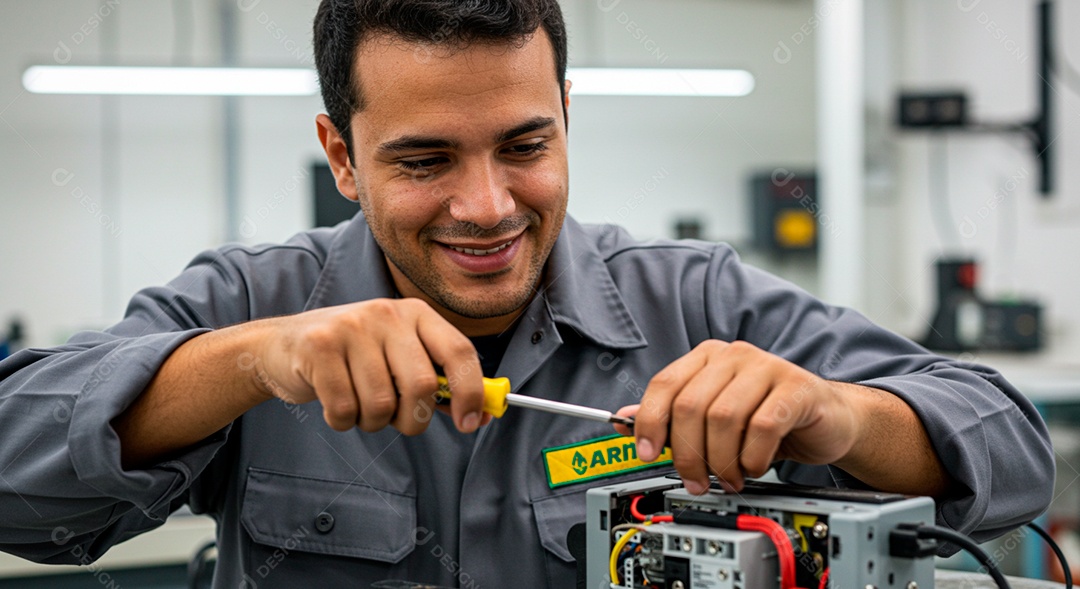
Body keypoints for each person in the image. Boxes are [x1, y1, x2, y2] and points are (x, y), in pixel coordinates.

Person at [0, 1, 1054, 587]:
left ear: (564, 115)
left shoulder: (697, 301)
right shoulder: (255, 298)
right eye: (424, 160)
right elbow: (16, 478)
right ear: (343, 154)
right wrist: (246, 363)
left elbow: (1009, 450)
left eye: (524, 145)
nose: (487, 205)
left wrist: (834, 413)